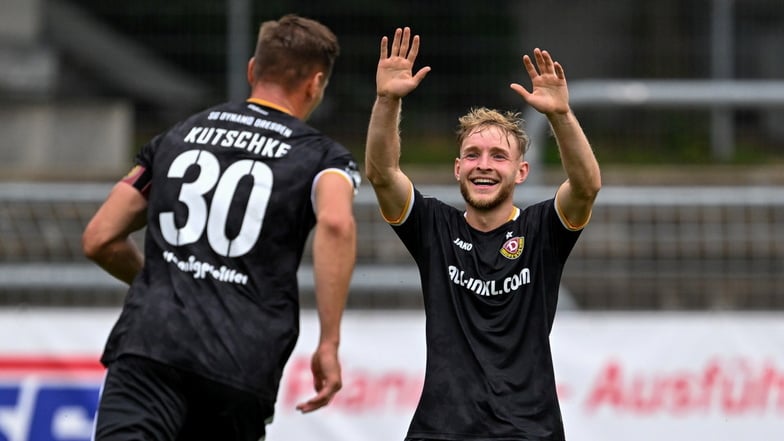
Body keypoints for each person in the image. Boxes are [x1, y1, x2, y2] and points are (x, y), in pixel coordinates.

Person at [82, 14, 360, 441]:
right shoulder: (323, 159)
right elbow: (337, 223)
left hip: (151, 343)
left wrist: (166, 283)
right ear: (314, 83)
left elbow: (99, 238)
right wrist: (329, 342)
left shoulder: (178, 136)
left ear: (252, 69)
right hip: (239, 362)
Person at [365, 27, 601, 440]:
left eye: (498, 156)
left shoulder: (541, 229)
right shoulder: (435, 227)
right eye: (472, 154)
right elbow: (382, 174)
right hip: (442, 430)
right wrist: (387, 101)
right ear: (458, 169)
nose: (484, 165)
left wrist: (560, 116)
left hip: (528, 430)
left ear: (521, 172)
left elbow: (586, 187)